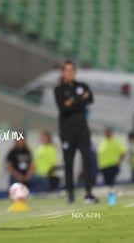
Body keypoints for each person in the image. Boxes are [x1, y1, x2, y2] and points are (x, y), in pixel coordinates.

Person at [54, 60, 99, 204]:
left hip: (82, 130)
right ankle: (70, 194)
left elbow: (90, 99)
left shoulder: (82, 86)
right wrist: (80, 100)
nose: (70, 72)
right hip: (67, 132)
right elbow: (63, 108)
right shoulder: (59, 89)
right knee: (69, 163)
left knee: (87, 160)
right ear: (63, 72)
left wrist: (72, 102)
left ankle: (88, 193)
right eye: (67, 70)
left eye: (72, 69)